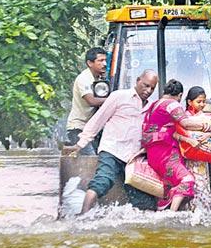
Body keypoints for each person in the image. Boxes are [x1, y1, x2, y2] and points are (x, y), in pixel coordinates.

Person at [67, 70, 159, 214]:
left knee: (143, 199)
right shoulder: (118, 97)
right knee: (103, 180)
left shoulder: (151, 107)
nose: (148, 91)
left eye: (152, 88)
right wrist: (80, 144)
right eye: (146, 85)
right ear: (137, 80)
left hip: (133, 157)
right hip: (112, 150)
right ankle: (82, 216)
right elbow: (98, 120)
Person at [142, 79, 211, 211]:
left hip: (154, 152)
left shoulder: (154, 104)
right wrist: (207, 126)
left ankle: (167, 211)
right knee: (187, 180)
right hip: (165, 152)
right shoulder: (172, 105)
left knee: (172, 182)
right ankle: (171, 214)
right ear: (180, 96)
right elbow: (185, 123)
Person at [176, 86, 211, 211]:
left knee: (202, 185)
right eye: (199, 102)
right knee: (190, 184)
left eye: (204, 101)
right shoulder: (183, 117)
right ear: (189, 102)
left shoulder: (207, 116)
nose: (202, 104)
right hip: (187, 157)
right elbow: (177, 133)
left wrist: (208, 134)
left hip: (202, 157)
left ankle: (203, 212)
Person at [65, 47, 108, 155]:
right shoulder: (84, 78)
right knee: (90, 158)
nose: (105, 64)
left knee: (100, 158)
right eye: (101, 61)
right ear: (90, 63)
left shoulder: (99, 78)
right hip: (78, 128)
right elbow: (91, 101)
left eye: (105, 60)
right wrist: (114, 99)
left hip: (92, 129)